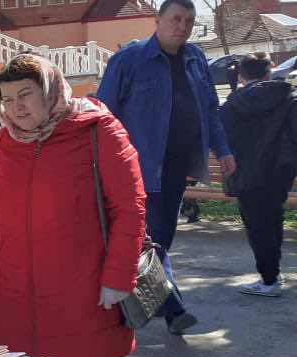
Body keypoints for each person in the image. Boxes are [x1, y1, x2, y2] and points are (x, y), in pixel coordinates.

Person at [0, 54, 147, 357]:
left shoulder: (98, 130)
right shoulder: (5, 140)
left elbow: (129, 209)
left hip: (84, 295)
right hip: (14, 298)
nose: (17, 107)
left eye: (25, 95)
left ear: (49, 90)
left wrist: (119, 278)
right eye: (7, 100)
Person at [96, 0, 235, 334]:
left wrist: (223, 149)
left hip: (176, 167)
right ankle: (173, 308)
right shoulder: (129, 60)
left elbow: (210, 110)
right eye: (175, 19)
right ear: (157, 20)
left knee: (161, 238)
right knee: (151, 237)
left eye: (189, 20)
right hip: (135, 168)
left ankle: (139, 301)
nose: (182, 26)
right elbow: (102, 113)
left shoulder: (195, 58)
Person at [220, 53, 297, 297]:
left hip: (246, 172)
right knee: (273, 219)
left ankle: (269, 279)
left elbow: (222, 137)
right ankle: (272, 274)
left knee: (257, 227)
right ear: (269, 72)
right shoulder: (287, 99)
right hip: (279, 171)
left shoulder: (233, 104)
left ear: (242, 76)